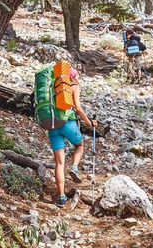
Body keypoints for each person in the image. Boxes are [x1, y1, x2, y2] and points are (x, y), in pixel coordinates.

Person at [48, 67, 97, 208]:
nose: (78, 79)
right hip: (68, 122)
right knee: (80, 144)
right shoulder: (73, 86)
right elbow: (78, 108)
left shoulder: (52, 86)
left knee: (59, 164)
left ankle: (61, 197)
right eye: (77, 76)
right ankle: (75, 167)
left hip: (52, 124)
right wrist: (90, 123)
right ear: (73, 77)